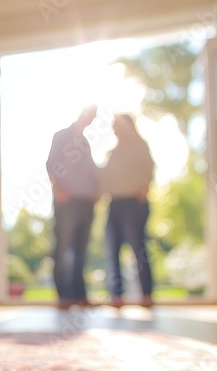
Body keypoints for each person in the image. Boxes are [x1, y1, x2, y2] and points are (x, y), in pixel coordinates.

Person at [46, 106, 99, 308]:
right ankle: (64, 297)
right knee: (62, 248)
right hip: (67, 202)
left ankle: (80, 295)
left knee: (81, 251)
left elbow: (91, 171)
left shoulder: (85, 142)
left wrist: (95, 192)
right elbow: (51, 164)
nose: (91, 118)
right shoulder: (61, 136)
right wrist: (58, 189)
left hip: (85, 202)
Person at [100, 114, 155, 307]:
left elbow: (149, 168)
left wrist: (144, 187)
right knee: (112, 248)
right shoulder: (113, 153)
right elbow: (105, 177)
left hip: (134, 203)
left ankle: (146, 294)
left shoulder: (139, 146)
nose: (115, 129)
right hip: (115, 203)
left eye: (117, 125)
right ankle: (116, 295)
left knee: (138, 247)